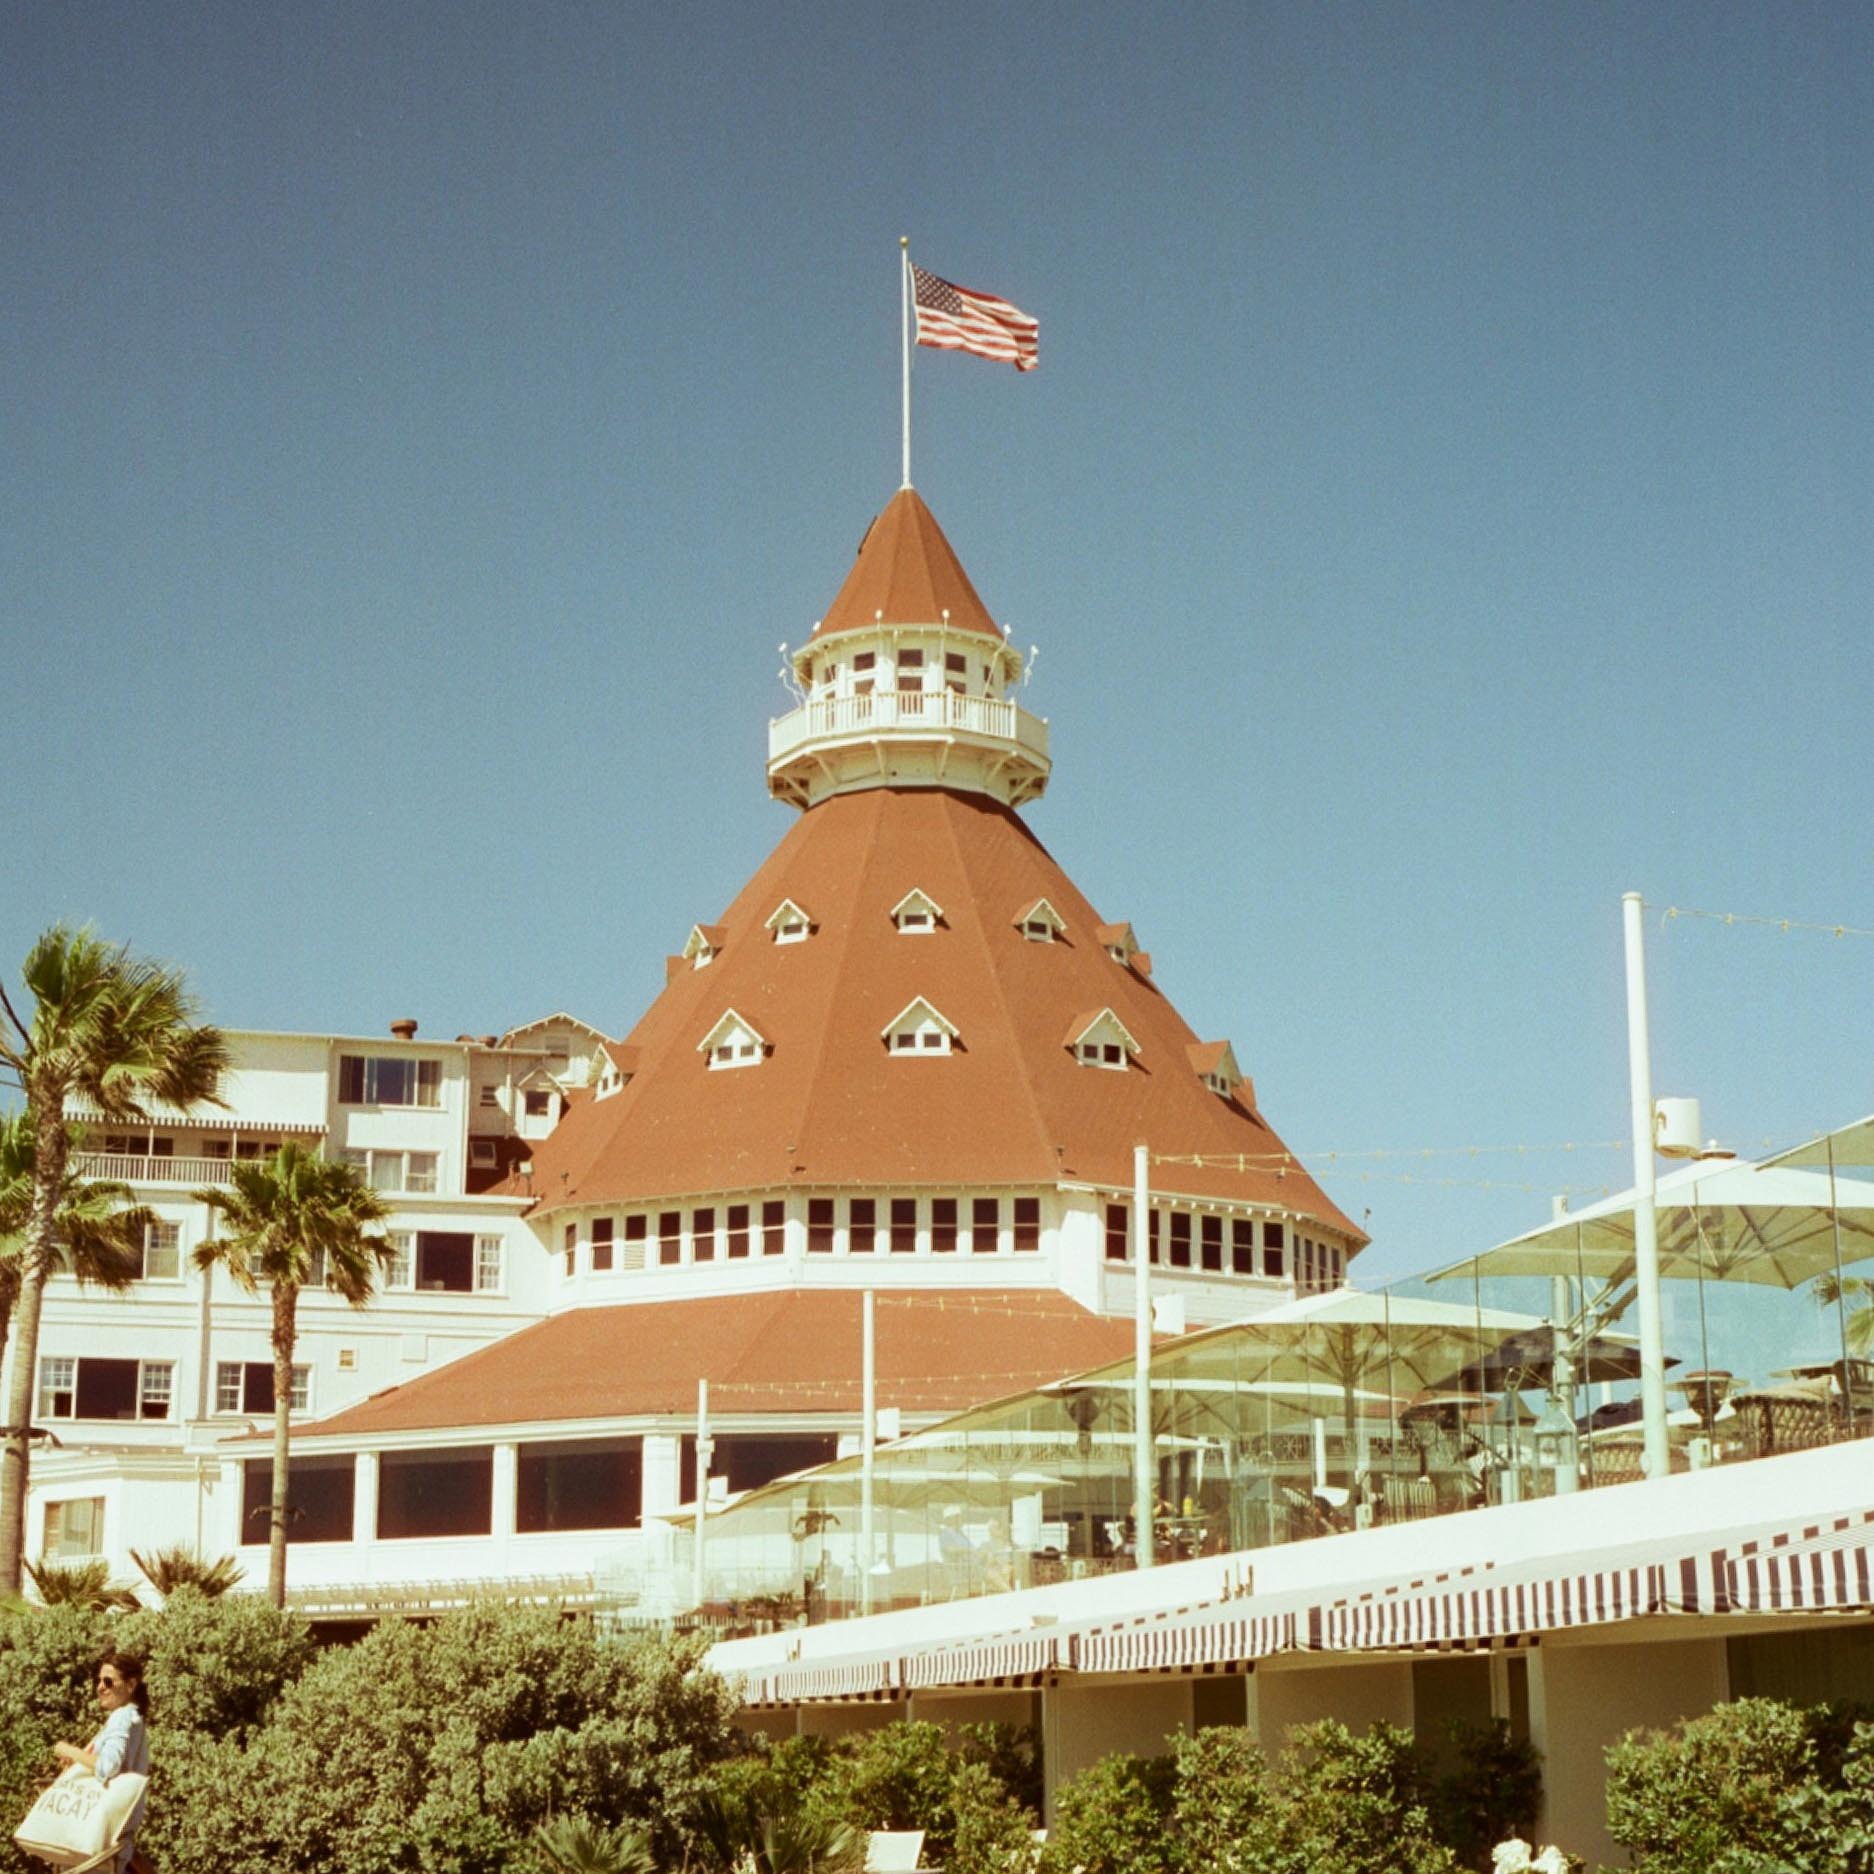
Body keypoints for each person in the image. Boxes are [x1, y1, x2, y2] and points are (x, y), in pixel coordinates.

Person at [52, 1651, 150, 1873]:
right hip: (112, 1840)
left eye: (108, 1681)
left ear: (131, 1684)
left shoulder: (122, 1717)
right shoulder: (135, 1719)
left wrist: (69, 1750)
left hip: (98, 1841)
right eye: (98, 1681)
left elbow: (109, 1766)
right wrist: (82, 1760)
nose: (100, 1687)